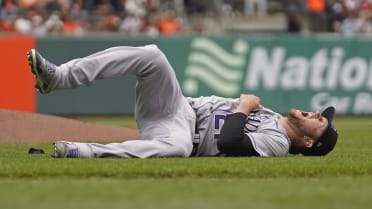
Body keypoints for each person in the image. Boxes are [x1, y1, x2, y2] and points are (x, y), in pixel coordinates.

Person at [26, 45, 338, 158]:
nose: (314, 113)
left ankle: (83, 151)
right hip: (178, 106)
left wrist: (244, 107)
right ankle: (59, 77)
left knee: (176, 148)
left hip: (183, 134)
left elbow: (230, 142)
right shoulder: (271, 115)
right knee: (152, 56)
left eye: (319, 121)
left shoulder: (278, 144)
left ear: (309, 143)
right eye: (320, 114)